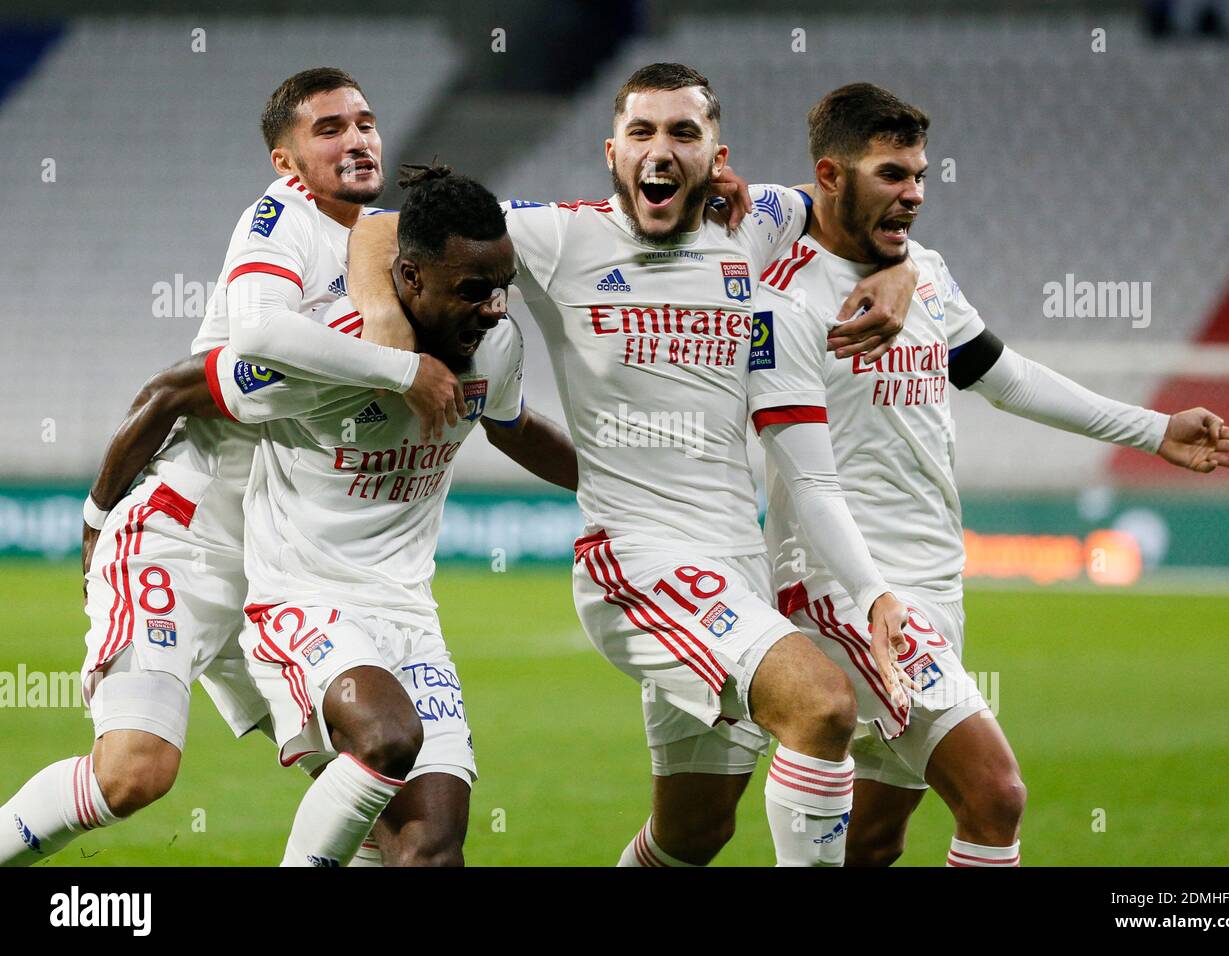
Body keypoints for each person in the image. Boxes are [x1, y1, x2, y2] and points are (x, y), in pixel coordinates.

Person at [348, 63, 923, 866]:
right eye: (643, 133)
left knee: (693, 833)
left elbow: (873, 215)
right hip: (638, 562)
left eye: (684, 133)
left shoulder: (755, 227)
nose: (662, 149)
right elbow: (381, 229)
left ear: (717, 154)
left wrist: (896, 274)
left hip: (735, 563)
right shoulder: (560, 237)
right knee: (823, 706)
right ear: (611, 152)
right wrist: (383, 319)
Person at [756, 82, 1229, 867]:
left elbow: (1005, 375)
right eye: (892, 174)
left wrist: (1154, 430)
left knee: (875, 837)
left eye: (920, 174)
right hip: (845, 585)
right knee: (995, 796)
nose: (915, 194)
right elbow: (806, 477)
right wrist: (870, 593)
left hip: (933, 580)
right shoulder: (785, 298)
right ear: (828, 176)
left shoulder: (923, 271)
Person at [0, 67, 458, 866]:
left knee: (377, 790)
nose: (357, 138)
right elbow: (198, 373)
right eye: (329, 128)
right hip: (184, 537)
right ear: (286, 164)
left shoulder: (387, 243)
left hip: (283, 568)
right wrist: (98, 518)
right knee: (135, 773)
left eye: (365, 121)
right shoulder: (282, 220)